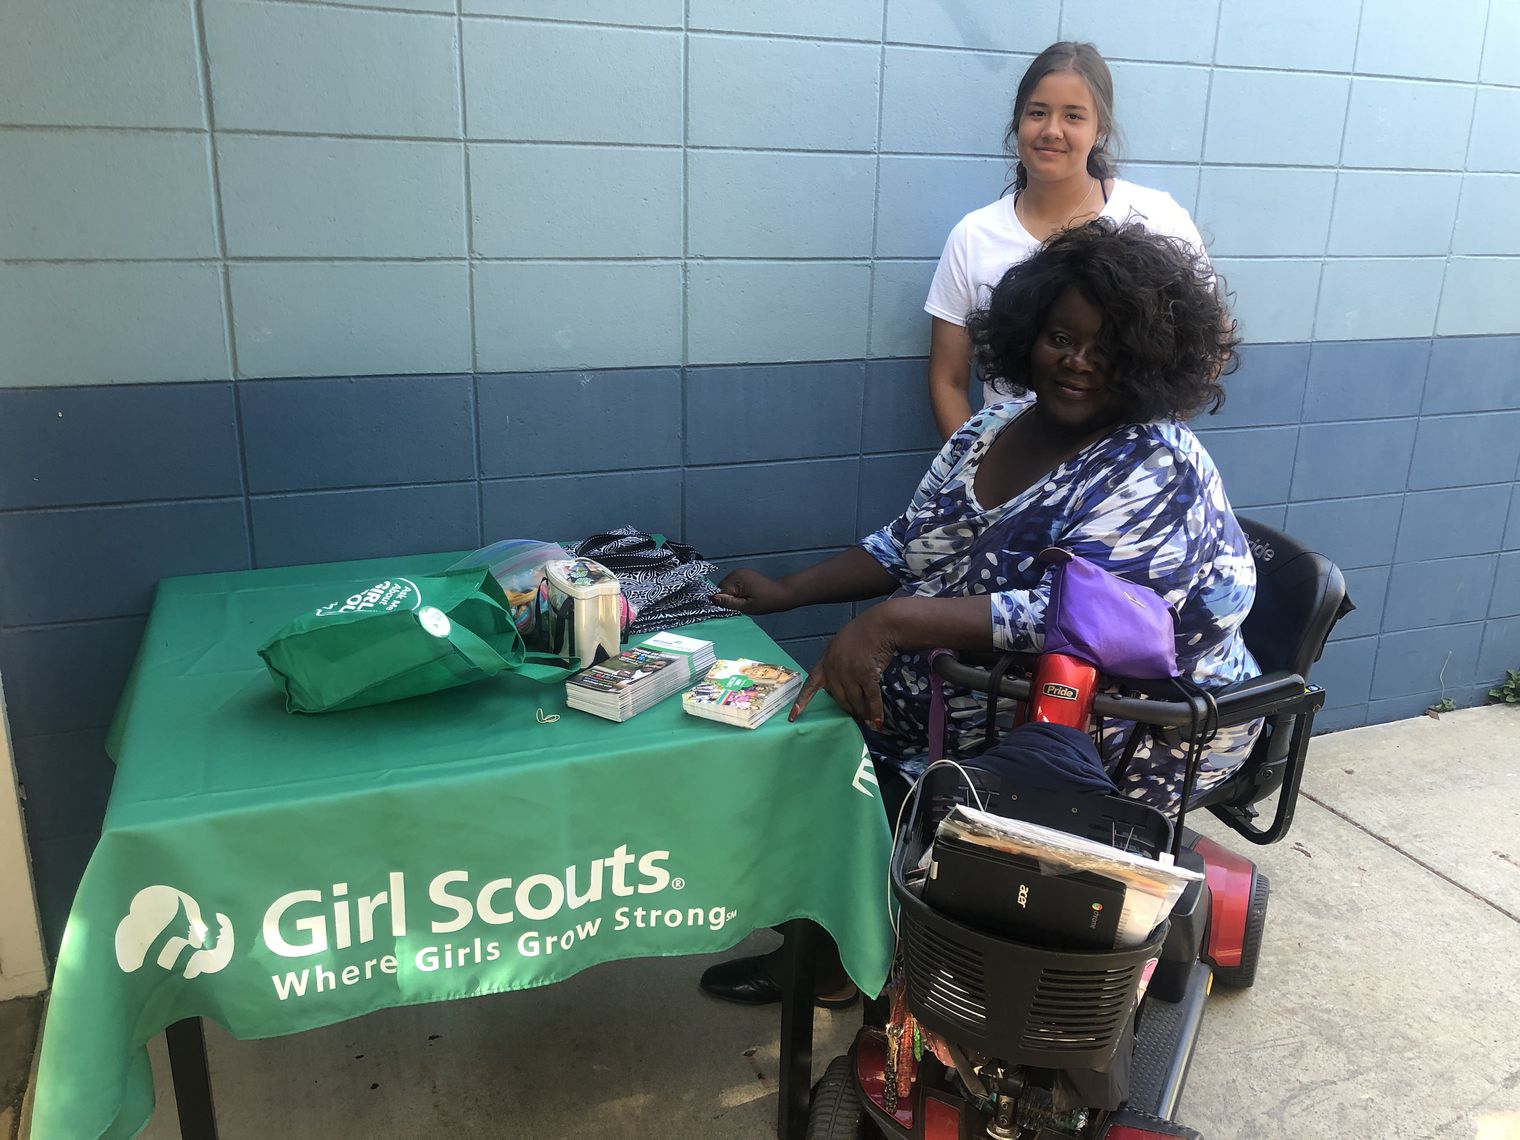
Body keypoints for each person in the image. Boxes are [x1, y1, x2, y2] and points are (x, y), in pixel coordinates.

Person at [699, 219, 1258, 1008]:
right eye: (1062, 336)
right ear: (1028, 333)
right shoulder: (993, 426)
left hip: (1139, 721)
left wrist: (888, 626)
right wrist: (792, 591)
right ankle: (831, 950)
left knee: (877, 780)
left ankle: (855, 960)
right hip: (991, 692)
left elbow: (1087, 622)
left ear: (1146, 359)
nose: (1078, 360)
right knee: (818, 756)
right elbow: (910, 543)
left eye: (1107, 347)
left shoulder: (1155, 463)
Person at [925, 41, 1211, 441]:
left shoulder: (1157, 217)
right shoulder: (973, 236)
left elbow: (1210, 344)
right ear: (1018, 122)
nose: (1051, 130)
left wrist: (1146, 442)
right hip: (1014, 474)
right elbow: (948, 379)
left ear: (1100, 130)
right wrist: (975, 470)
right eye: (1037, 112)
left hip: (1119, 476)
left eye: (1073, 116)